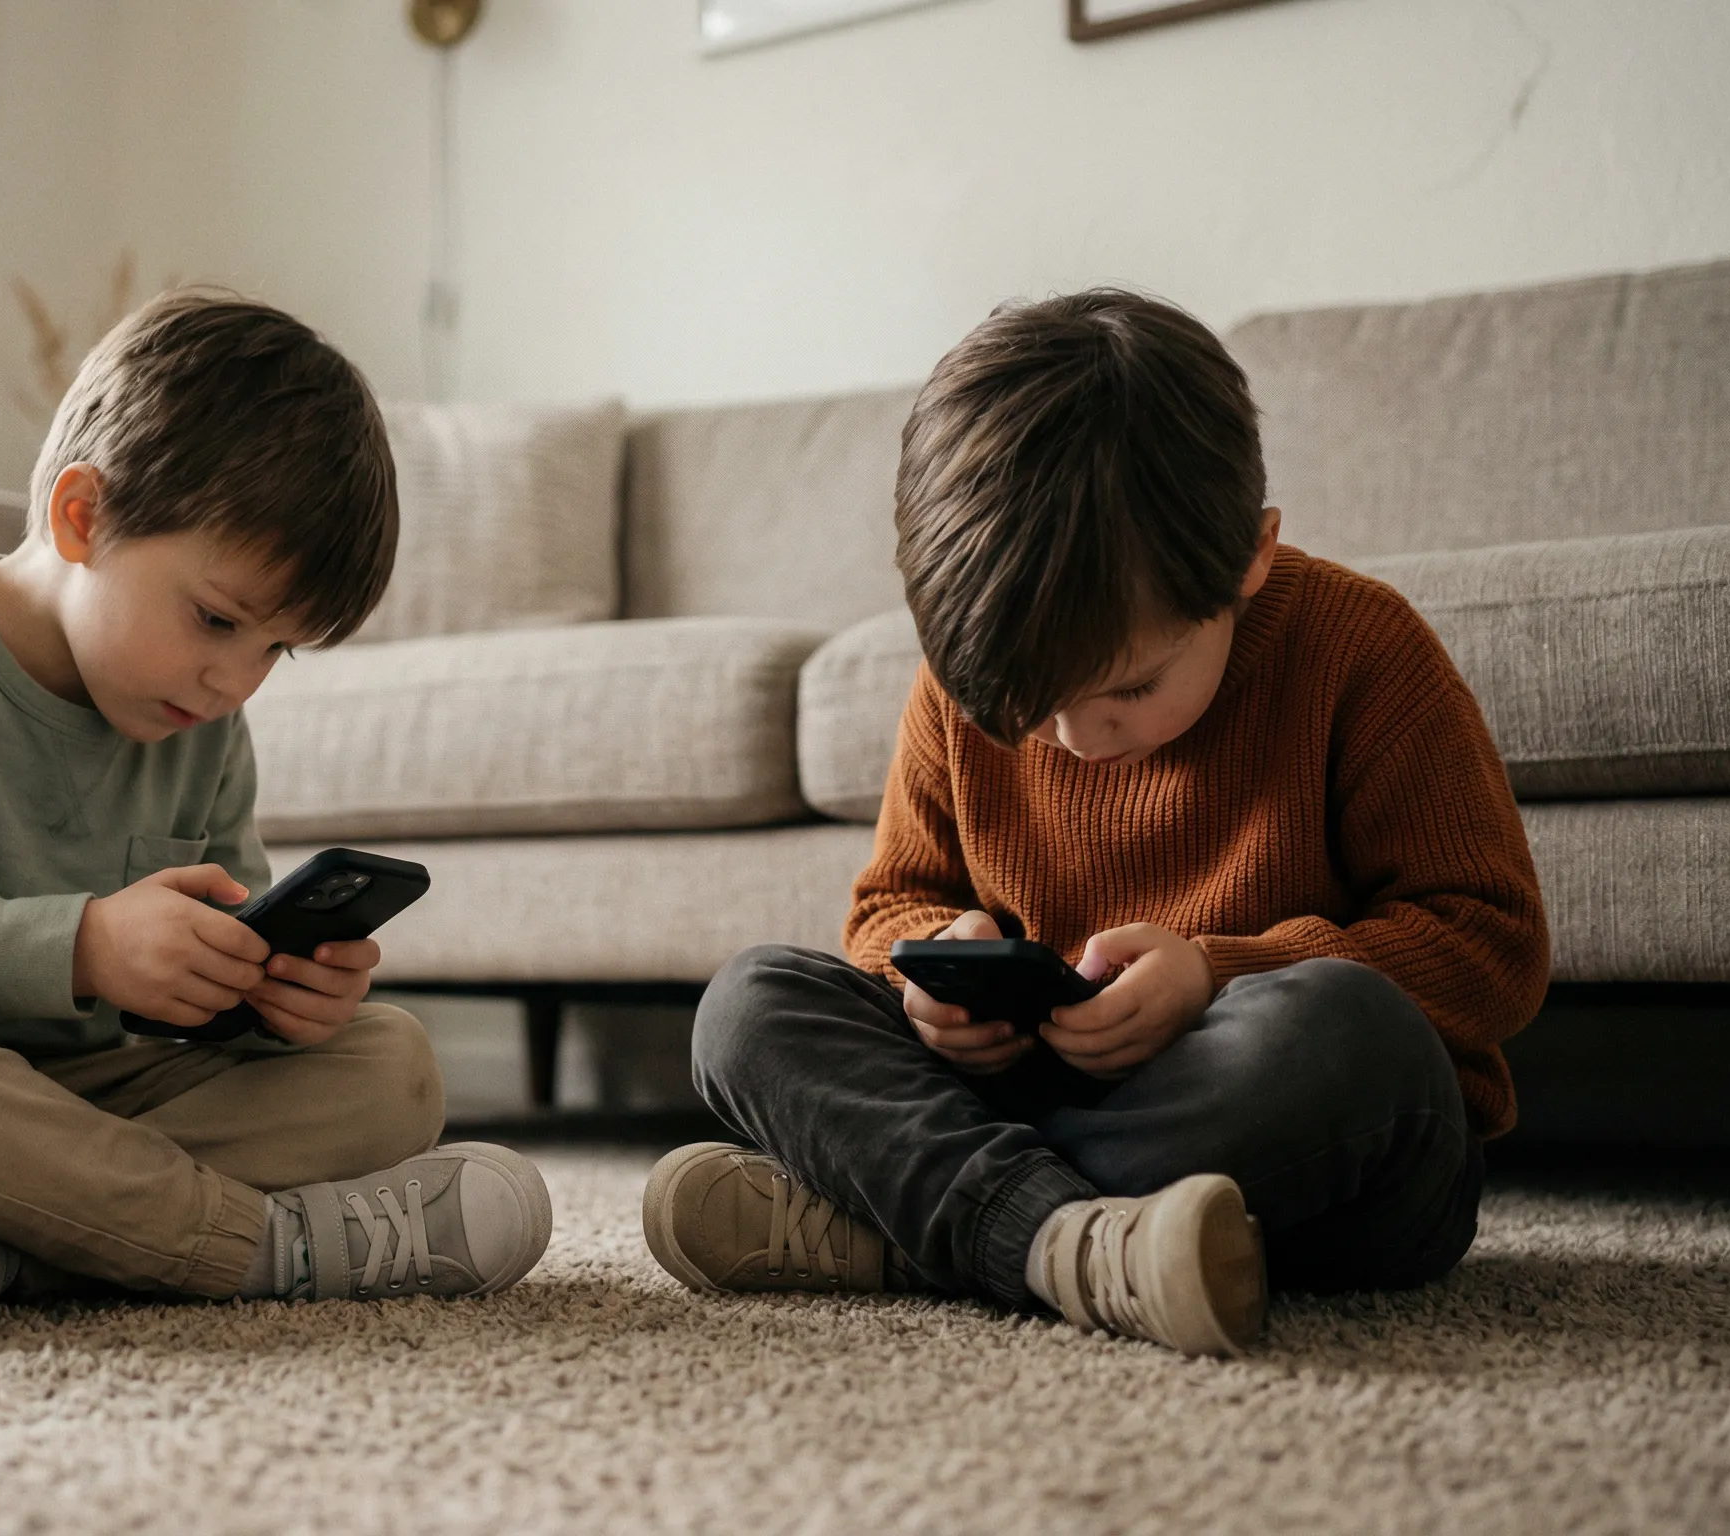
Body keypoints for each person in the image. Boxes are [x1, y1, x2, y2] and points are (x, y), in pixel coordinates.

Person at [642, 290, 1547, 1357]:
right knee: (747, 1006)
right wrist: (931, 964)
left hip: (1287, 1140)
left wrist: (1216, 972)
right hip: (1032, 1092)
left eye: (1129, 686)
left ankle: (918, 1223)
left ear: (1250, 561)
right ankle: (1071, 1237)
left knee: (1345, 1031)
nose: (1076, 738)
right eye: (1031, 709)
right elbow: (890, 904)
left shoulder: (1361, 650)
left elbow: (1489, 950)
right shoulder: (965, 687)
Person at [0, 291, 550, 1336]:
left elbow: (200, 1006)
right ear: (83, 517)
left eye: (276, 650)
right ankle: (257, 1250)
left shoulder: (203, 721)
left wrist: (273, 998)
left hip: (65, 1109)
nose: (235, 681)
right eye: (217, 619)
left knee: (389, 1068)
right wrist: (81, 948)